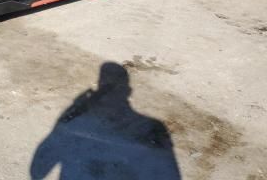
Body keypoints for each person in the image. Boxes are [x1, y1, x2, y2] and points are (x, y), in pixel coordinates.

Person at [30, 62, 181, 180]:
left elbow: (37, 171)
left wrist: (69, 115)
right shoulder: (153, 128)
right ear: (128, 92)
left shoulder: (77, 121)